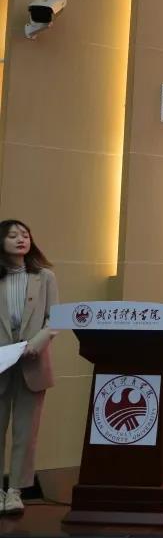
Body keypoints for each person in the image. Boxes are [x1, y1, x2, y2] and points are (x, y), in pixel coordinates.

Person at [0, 220, 59, 515]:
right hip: (0, 362)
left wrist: (36, 343)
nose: (20, 239)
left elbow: (55, 318)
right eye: (12, 235)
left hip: (32, 362)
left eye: (25, 235)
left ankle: (15, 491)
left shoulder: (44, 277)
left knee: (26, 432)